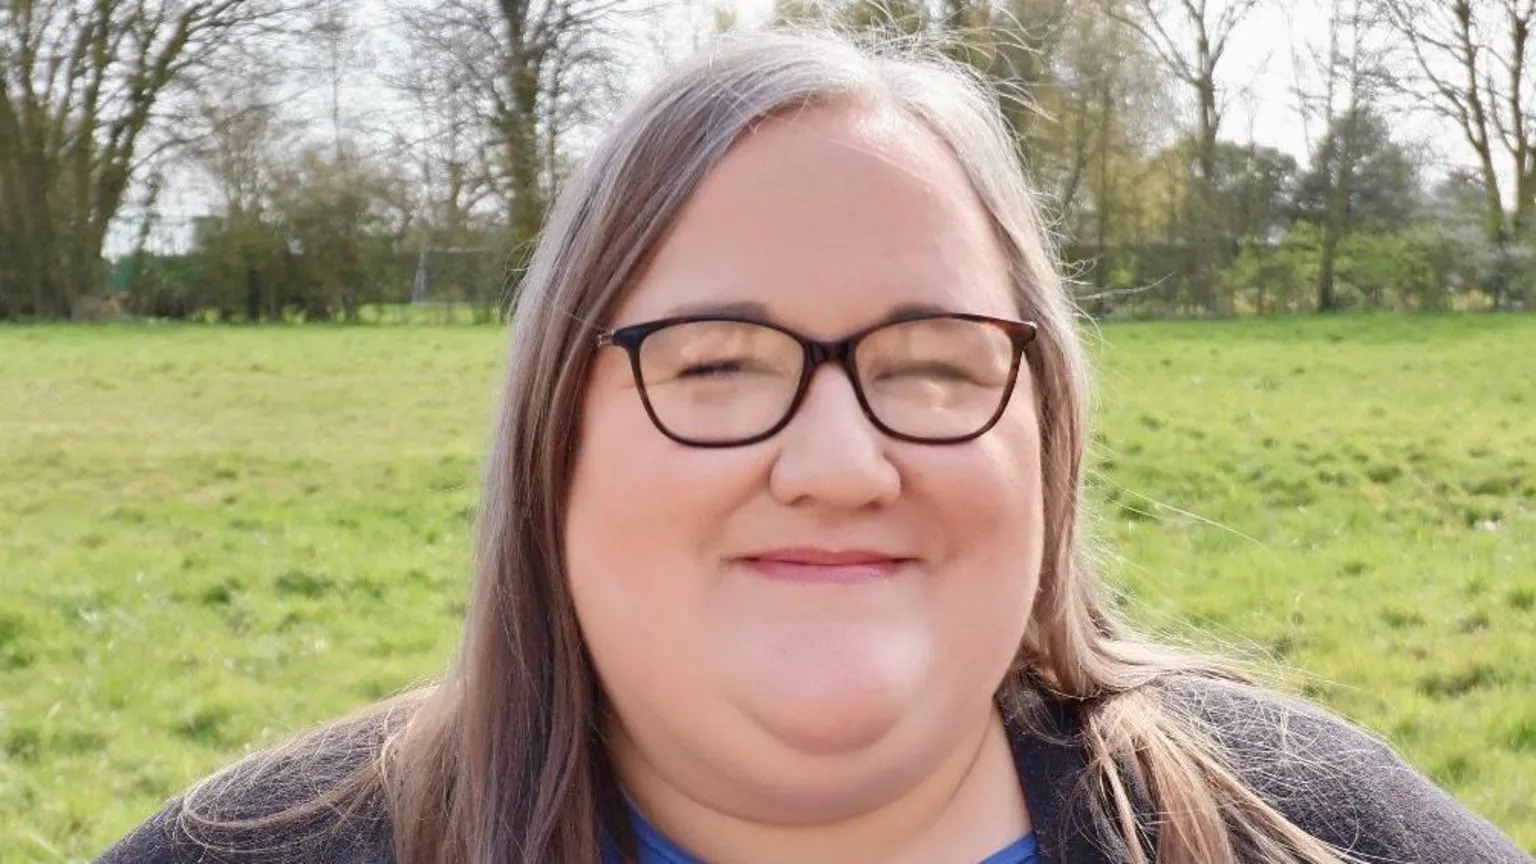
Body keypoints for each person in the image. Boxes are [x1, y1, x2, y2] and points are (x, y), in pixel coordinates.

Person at [98, 28, 1528, 864]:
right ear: (554, 441)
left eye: (935, 363)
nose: (840, 464)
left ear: (1045, 435)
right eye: (717, 363)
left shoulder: (1317, 829)